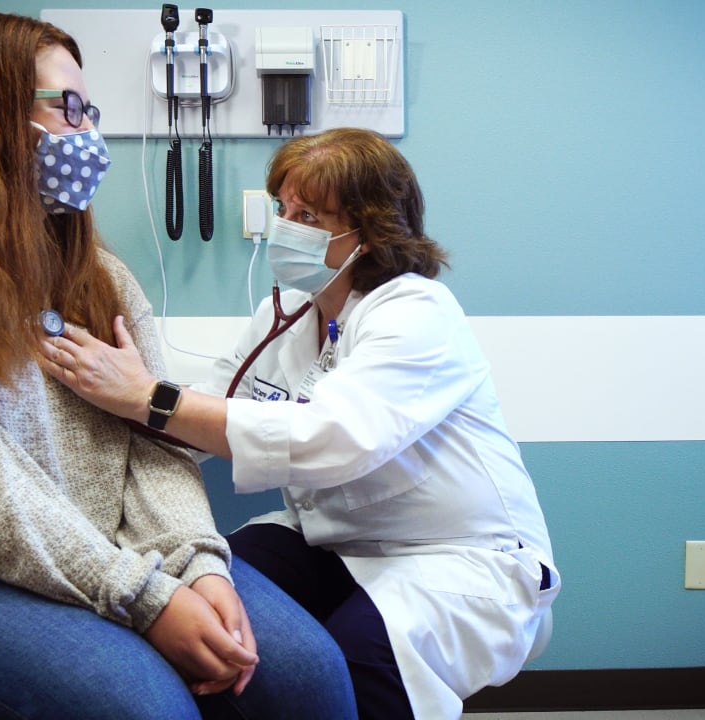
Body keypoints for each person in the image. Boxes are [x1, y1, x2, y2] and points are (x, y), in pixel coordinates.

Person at [0, 11, 355, 720]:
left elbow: (151, 446)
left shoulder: (99, 278)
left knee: (308, 678)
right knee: (141, 706)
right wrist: (145, 598)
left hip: (96, 556)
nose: (89, 133)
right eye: (69, 107)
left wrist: (196, 565)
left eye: (90, 109)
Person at [42, 127, 561, 719]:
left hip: (455, 556)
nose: (284, 227)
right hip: (330, 539)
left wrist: (146, 397)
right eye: (283, 208)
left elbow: (336, 440)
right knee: (206, 589)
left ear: (368, 233)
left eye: (309, 214)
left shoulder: (418, 312)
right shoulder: (282, 315)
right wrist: (102, 392)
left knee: (349, 661)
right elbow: (206, 406)